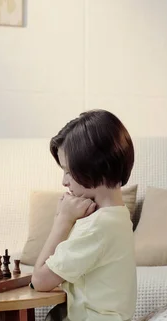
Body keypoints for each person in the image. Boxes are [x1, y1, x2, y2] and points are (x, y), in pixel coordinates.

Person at [31, 109, 137, 321]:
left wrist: (62, 220)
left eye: (68, 171)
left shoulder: (97, 227)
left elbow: (39, 281)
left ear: (95, 167)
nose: (64, 181)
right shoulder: (117, 216)